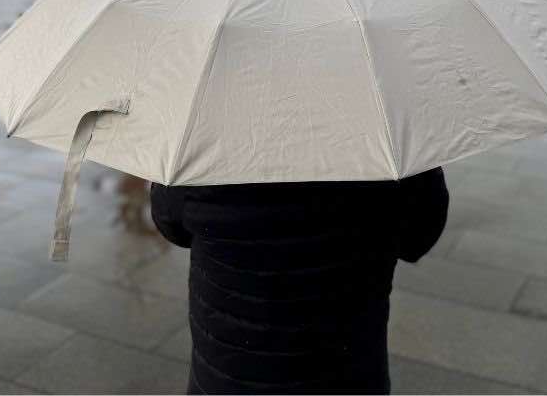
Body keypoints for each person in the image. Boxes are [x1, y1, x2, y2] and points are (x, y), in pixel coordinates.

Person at [150, 168, 449, 395]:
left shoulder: (205, 141)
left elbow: (170, 223)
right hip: (347, 370)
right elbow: (419, 236)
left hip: (228, 372)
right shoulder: (385, 143)